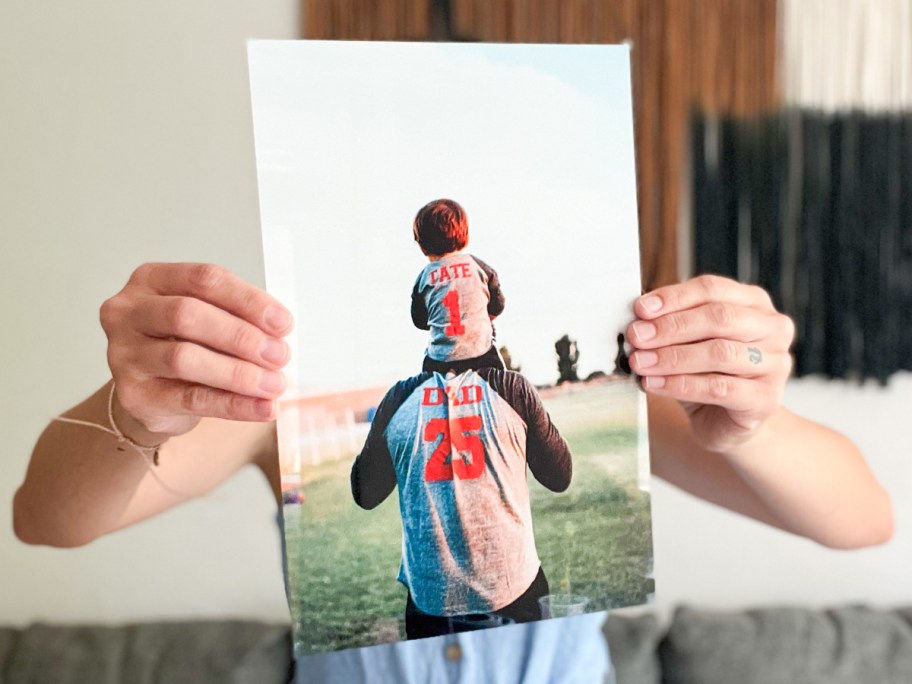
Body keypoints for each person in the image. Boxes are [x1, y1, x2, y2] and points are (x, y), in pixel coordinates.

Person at [13, 264, 894, 683]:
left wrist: (753, 420)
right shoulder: (302, 394)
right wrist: (136, 409)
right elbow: (48, 518)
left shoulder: (577, 386)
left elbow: (863, 519)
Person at [351, 366, 572, 639]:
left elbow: (365, 494)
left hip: (433, 601)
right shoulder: (509, 388)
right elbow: (559, 477)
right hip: (511, 591)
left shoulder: (400, 397)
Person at [411, 199, 506, 374]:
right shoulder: (478, 267)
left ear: (422, 246)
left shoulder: (423, 278)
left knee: (426, 380)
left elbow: (420, 321)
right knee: (500, 380)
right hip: (481, 355)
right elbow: (498, 305)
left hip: (440, 361)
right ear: (465, 236)